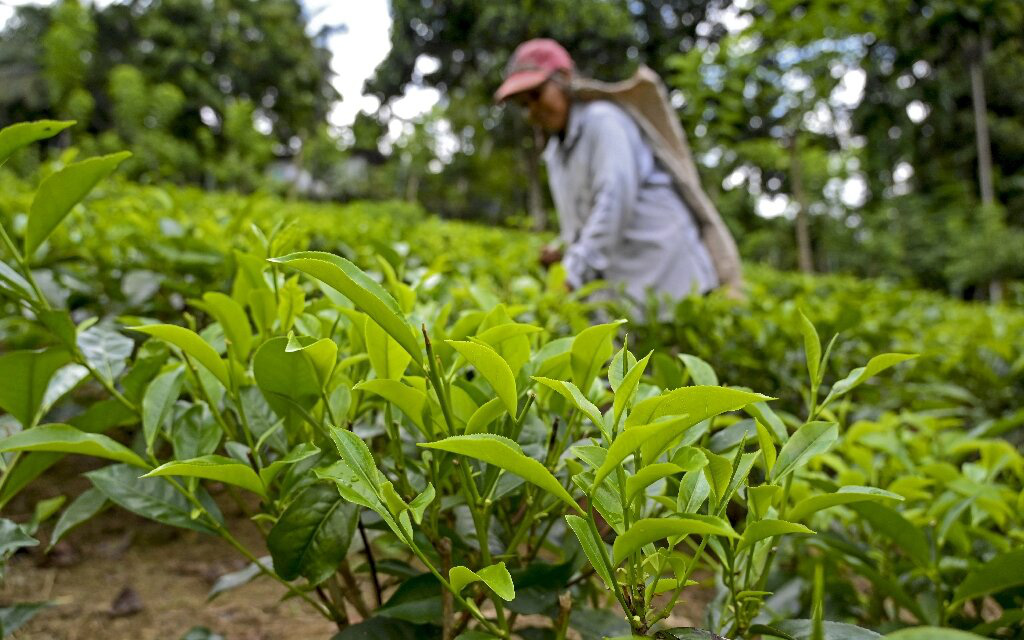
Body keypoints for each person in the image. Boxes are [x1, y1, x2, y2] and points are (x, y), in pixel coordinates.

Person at [494, 39, 743, 314]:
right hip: (632, 291)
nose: (532, 111)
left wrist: (571, 274)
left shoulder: (603, 121)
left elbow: (613, 202)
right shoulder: (554, 153)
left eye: (536, 95)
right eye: (522, 105)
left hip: (675, 280)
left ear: (564, 79)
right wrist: (562, 250)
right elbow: (581, 222)